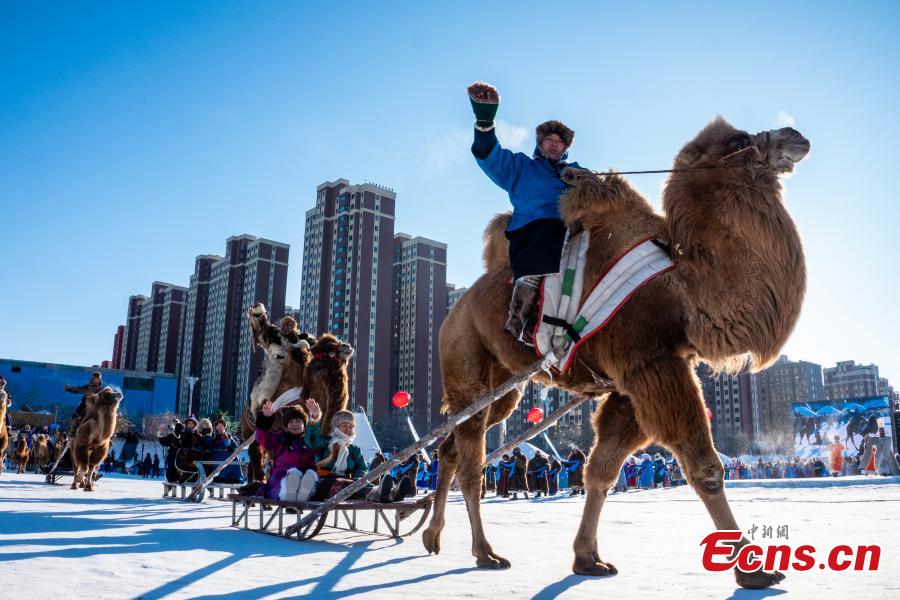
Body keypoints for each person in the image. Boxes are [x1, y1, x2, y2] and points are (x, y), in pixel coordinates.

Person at [467, 81, 583, 345]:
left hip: (572, 232)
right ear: (540, 144)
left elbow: (600, 192)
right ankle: (521, 317)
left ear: (565, 149)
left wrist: (590, 181)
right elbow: (491, 157)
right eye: (549, 141)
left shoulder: (576, 173)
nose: (554, 146)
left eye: (559, 143)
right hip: (533, 232)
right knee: (547, 230)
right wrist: (485, 120)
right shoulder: (521, 168)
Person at [306, 400, 370, 501]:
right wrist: (315, 418)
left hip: (347, 482)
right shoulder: (325, 442)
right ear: (336, 427)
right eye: (344, 425)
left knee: (363, 485)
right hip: (324, 482)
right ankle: (372, 493)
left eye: (351, 427)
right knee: (342, 485)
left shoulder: (354, 449)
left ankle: (383, 493)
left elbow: (362, 467)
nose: (348, 429)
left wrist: (358, 479)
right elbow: (311, 440)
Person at [255, 400, 317, 502]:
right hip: (281, 477)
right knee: (289, 480)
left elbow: (318, 437)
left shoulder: (309, 441)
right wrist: (265, 418)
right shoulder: (280, 439)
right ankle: (289, 493)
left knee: (308, 478)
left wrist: (315, 416)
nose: (294, 424)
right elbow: (261, 438)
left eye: (298, 421)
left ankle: (302, 494)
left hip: (303, 477)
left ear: (304, 424)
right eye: (290, 422)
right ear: (286, 427)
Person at [64, 371, 103, 437]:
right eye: (94, 378)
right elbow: (78, 389)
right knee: (75, 415)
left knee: (106, 416)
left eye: (97, 378)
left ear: (100, 379)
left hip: (97, 406)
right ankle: (73, 432)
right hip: (86, 403)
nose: (96, 380)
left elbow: (106, 396)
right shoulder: (88, 387)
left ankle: (106, 435)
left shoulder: (102, 389)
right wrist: (69, 388)